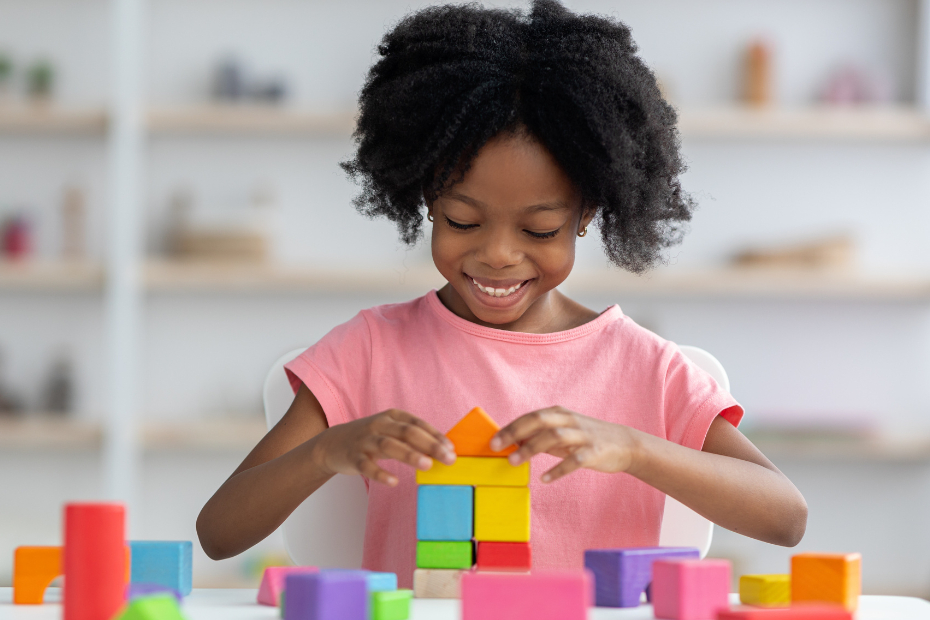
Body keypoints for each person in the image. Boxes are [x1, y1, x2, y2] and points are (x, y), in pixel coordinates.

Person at [197, 0, 807, 587]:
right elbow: (219, 533)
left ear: (586, 214)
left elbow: (785, 516)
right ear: (425, 199)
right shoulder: (370, 349)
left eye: (539, 229)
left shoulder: (646, 368)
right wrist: (326, 452)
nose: (497, 254)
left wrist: (632, 448)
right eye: (462, 220)